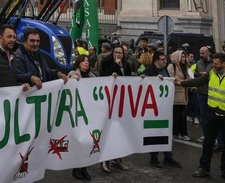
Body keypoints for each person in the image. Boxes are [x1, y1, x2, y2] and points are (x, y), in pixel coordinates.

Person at [178, 52, 225, 182]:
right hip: (212, 114)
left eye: (216, 64)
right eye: (213, 63)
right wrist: (181, 83)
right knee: (208, 142)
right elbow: (199, 81)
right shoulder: (212, 73)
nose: (213, 66)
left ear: (224, 64)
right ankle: (204, 168)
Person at [98, 43, 135, 173]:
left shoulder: (126, 65)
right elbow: (102, 77)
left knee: (120, 131)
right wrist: (115, 67)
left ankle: (117, 159)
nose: (118, 55)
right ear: (112, 53)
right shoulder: (106, 63)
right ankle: (104, 160)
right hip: (109, 101)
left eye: (120, 53)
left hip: (121, 101)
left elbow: (129, 79)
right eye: (116, 52)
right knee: (108, 131)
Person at [144, 51, 184, 168]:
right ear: (156, 60)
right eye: (162, 59)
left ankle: (168, 157)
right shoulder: (149, 71)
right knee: (155, 132)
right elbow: (142, 81)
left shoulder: (165, 69)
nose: (165, 61)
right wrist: (153, 79)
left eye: (165, 59)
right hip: (154, 108)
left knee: (166, 131)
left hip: (165, 107)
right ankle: (154, 157)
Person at [68, 54, 95, 181]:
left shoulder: (91, 76)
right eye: (84, 61)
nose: (86, 63)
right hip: (77, 113)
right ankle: (75, 168)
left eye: (87, 61)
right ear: (78, 63)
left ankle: (84, 168)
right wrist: (71, 78)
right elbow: (67, 81)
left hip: (88, 112)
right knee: (77, 141)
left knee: (87, 141)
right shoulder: (73, 73)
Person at [168, 50, 192, 143]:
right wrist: (179, 80)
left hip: (184, 93)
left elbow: (189, 78)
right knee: (177, 114)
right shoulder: (172, 66)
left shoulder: (185, 67)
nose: (184, 58)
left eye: (184, 56)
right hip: (176, 94)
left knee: (182, 114)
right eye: (182, 56)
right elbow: (171, 77)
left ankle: (183, 133)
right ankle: (175, 132)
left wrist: (186, 81)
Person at [195, 46, 214, 142]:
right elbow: (195, 73)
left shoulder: (213, 63)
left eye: (203, 53)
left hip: (211, 92)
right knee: (203, 115)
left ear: (208, 53)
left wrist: (207, 75)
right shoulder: (199, 63)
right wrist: (198, 74)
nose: (201, 55)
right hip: (201, 92)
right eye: (200, 53)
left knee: (212, 116)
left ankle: (213, 136)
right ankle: (205, 134)